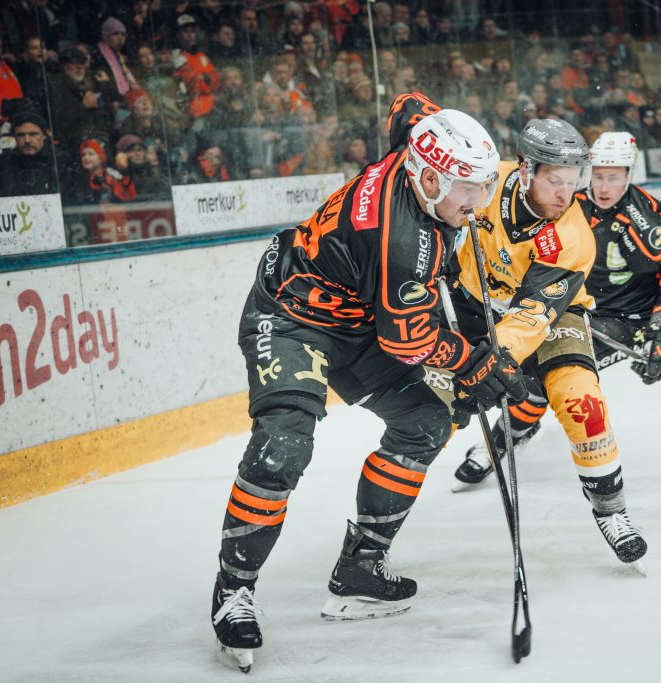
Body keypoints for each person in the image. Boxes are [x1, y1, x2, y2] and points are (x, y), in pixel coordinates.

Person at [209, 92, 519, 673]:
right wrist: (473, 363)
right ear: (430, 179)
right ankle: (233, 590)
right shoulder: (401, 239)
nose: (478, 203)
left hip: (357, 317)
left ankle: (360, 568)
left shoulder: (420, 148)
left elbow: (408, 105)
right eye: (469, 190)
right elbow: (409, 340)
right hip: (292, 317)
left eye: (483, 188)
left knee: (424, 422)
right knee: (283, 445)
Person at [448, 120, 650, 567]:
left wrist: (495, 361)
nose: (567, 194)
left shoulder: (573, 237)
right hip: (473, 305)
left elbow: (530, 318)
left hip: (552, 311)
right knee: (440, 407)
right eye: (555, 181)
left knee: (583, 403)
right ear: (525, 171)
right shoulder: (486, 181)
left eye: (573, 181)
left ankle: (611, 511)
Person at [0, 109, 58, 196]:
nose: (27, 140)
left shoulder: (57, 161)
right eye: (20, 135)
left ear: (44, 135)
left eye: (33, 134)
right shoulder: (6, 164)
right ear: (14, 137)